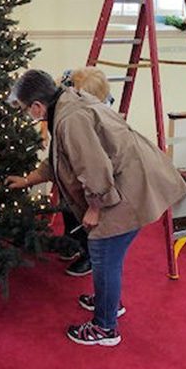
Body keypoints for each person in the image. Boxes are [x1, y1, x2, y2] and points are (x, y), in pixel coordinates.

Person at [6, 69, 186, 346]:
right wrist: (29, 179)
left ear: (36, 106)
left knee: (103, 253)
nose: (25, 116)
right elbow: (62, 157)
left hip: (127, 187)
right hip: (129, 179)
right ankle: (108, 303)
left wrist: (96, 207)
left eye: (23, 110)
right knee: (108, 257)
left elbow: (93, 168)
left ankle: (105, 328)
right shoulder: (65, 102)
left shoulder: (70, 119)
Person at [57, 67, 113, 277]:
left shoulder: (97, 117)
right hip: (72, 170)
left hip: (91, 179)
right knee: (67, 206)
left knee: (84, 214)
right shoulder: (70, 101)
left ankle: (89, 255)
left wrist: (95, 205)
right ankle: (71, 242)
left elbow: (95, 167)